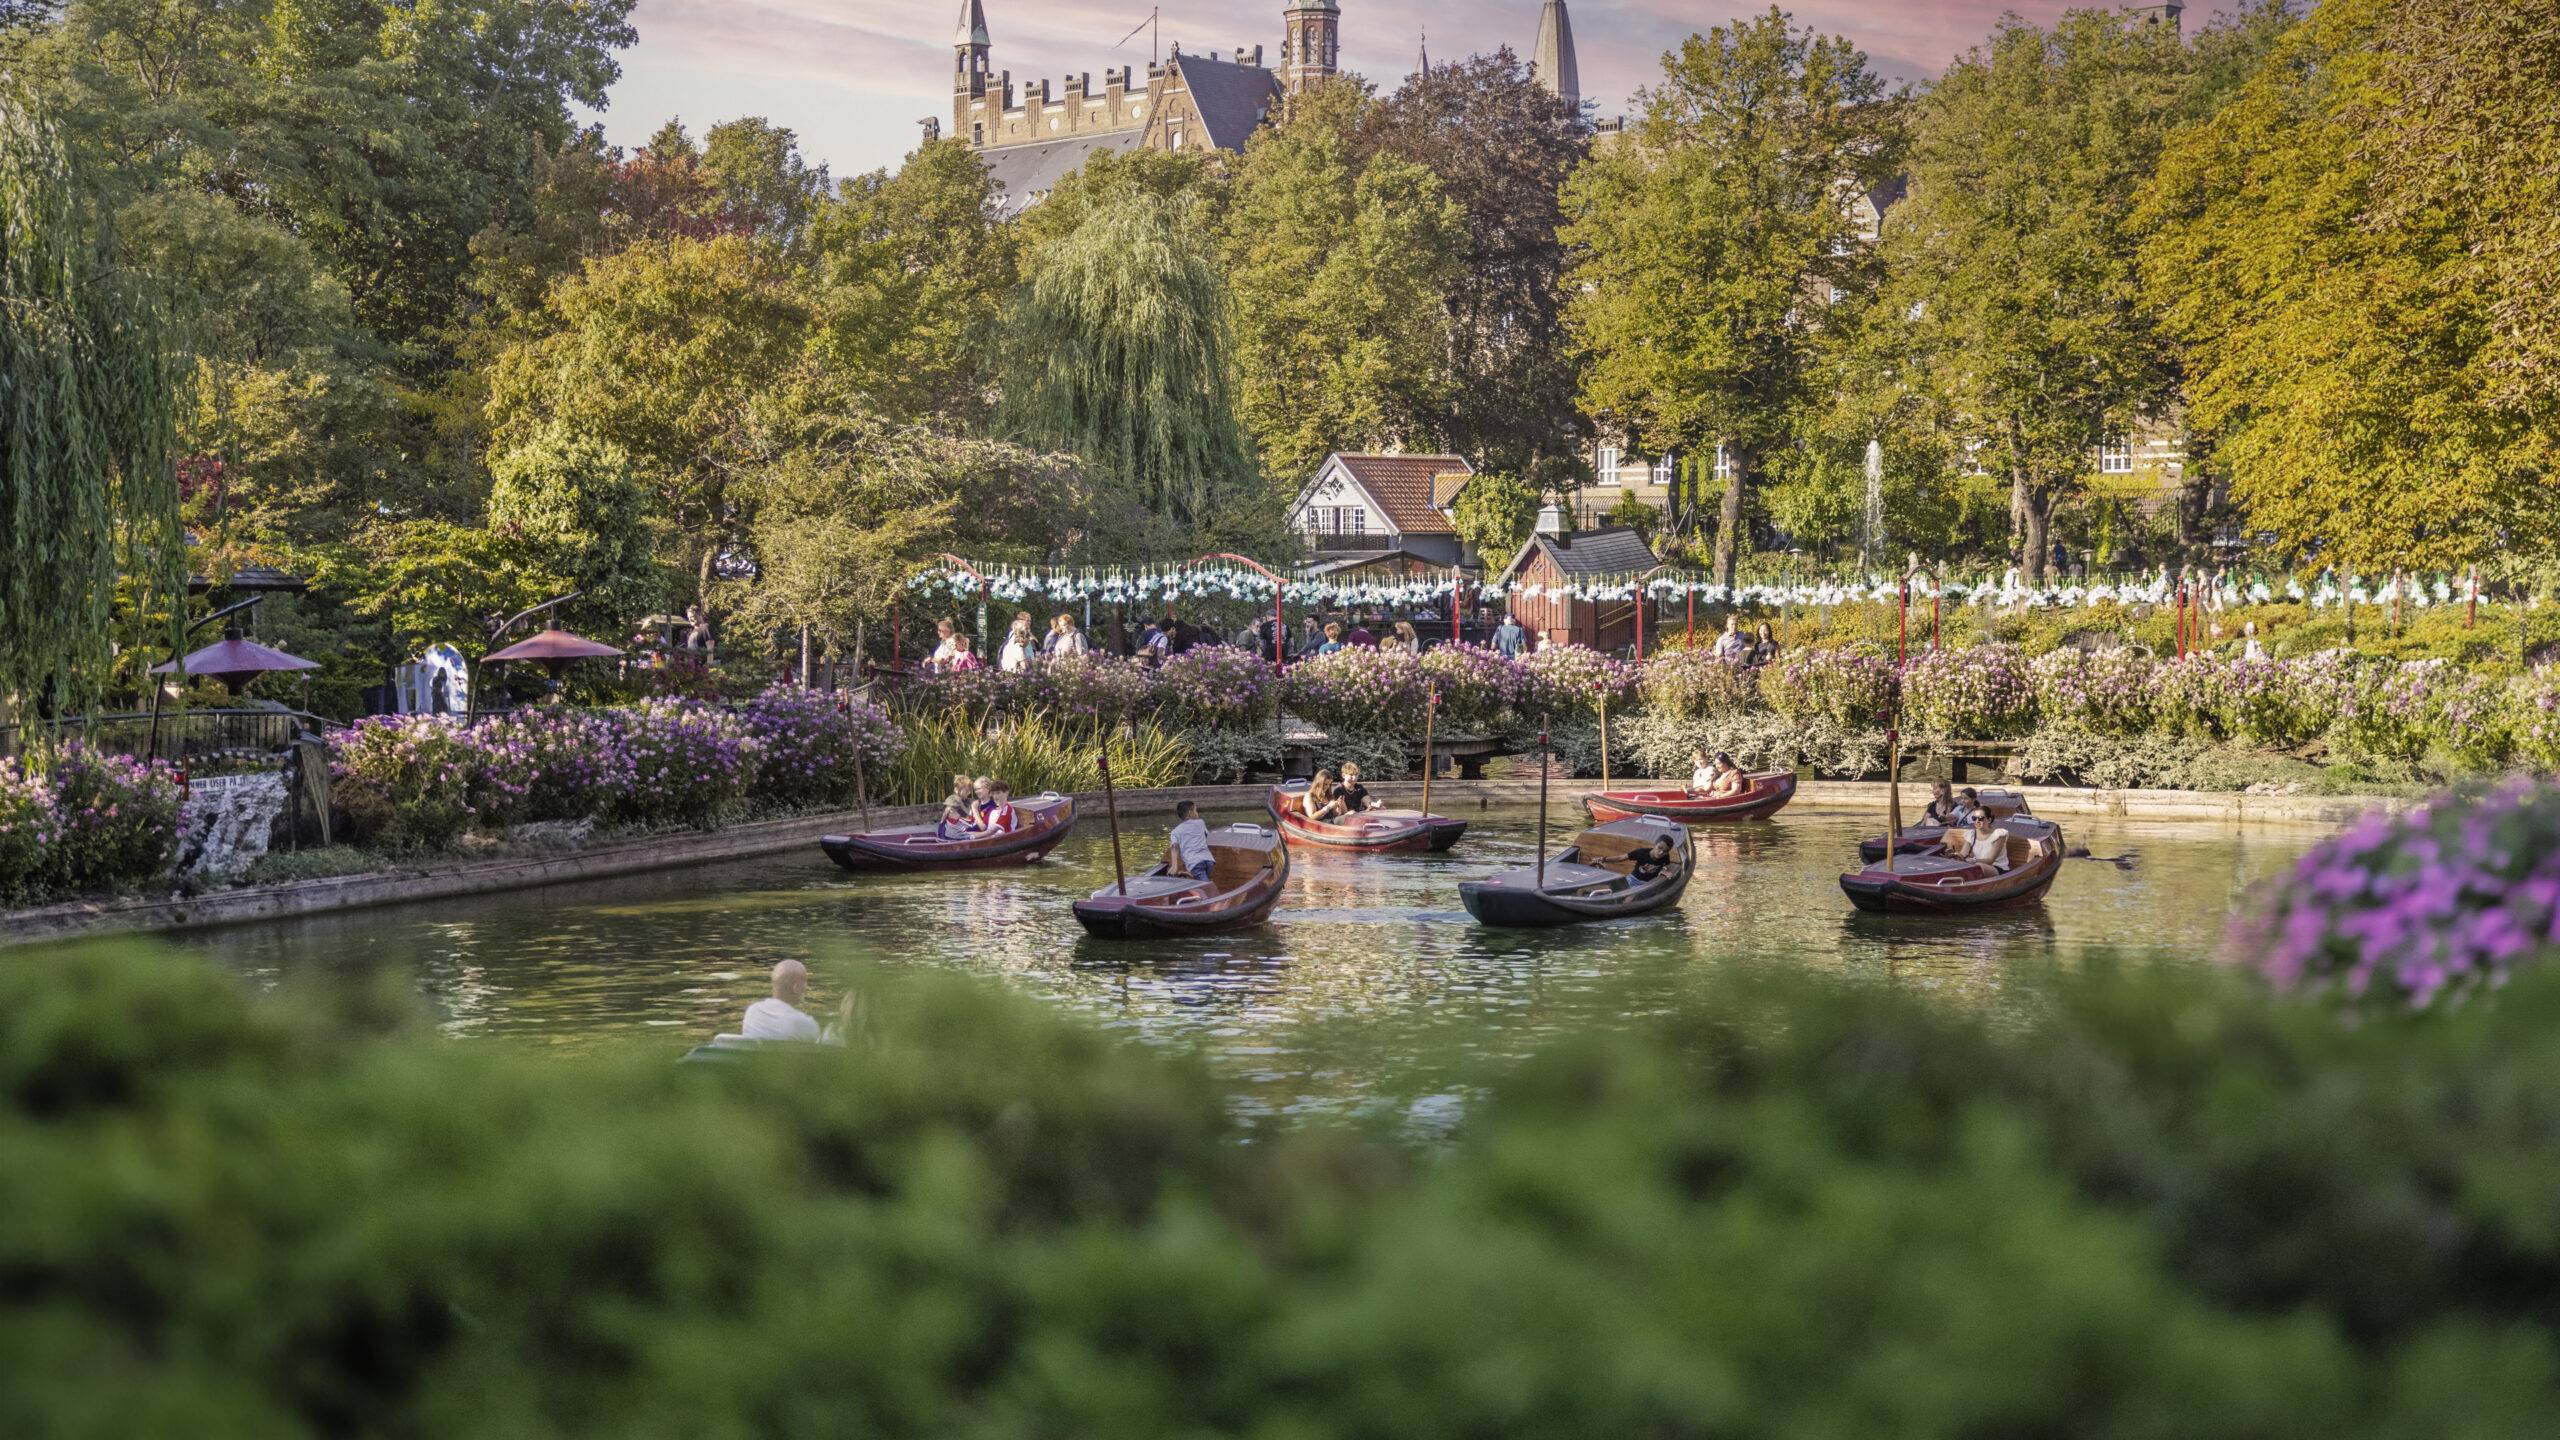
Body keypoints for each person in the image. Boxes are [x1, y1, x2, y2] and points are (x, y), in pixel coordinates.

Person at [742, 959, 823, 1042]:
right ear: (796, 988)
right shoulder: (806, 1024)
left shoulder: (752, 1011)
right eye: (805, 983)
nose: (806, 988)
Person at [1942, 810, 2019, 872]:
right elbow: (1963, 854)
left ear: (1989, 820)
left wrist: (1972, 861)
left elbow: (1990, 860)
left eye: (1981, 818)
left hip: (1996, 868)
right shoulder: (1971, 834)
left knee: (1978, 866)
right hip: (1976, 865)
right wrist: (1955, 855)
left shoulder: (1998, 834)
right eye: (1974, 818)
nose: (1977, 821)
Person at [1168, 800, 1214, 881]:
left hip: (1194, 863)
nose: (1197, 813)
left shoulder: (1175, 832)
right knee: (1202, 882)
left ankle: (1190, 875)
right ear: (1190, 813)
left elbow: (1175, 846)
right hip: (1208, 860)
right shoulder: (1201, 823)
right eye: (1196, 811)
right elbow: (1205, 835)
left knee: (1203, 885)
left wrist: (1174, 866)